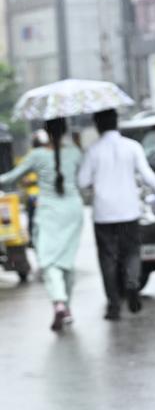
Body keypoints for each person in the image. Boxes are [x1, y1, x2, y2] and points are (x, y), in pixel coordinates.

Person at [77, 109, 155, 320]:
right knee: (131, 252)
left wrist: (95, 184)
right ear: (116, 123)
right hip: (129, 210)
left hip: (103, 213)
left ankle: (113, 305)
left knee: (107, 258)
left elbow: (82, 182)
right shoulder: (132, 147)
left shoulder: (93, 151)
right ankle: (132, 284)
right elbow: (147, 174)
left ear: (97, 125)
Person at [0, 118, 84, 330]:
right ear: (65, 130)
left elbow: (10, 178)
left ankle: (58, 303)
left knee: (48, 261)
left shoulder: (37, 155)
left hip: (48, 211)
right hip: (73, 209)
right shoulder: (74, 152)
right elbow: (83, 180)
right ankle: (67, 307)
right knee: (66, 261)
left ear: (46, 131)